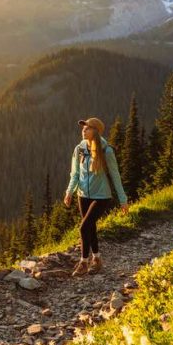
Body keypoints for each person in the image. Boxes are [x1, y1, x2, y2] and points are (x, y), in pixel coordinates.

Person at [63, 117, 128, 276]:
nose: (84, 130)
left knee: (84, 227)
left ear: (96, 132)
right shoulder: (79, 148)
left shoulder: (107, 151)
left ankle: (83, 262)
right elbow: (75, 173)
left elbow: (115, 175)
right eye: (83, 128)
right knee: (90, 227)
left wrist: (123, 200)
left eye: (88, 128)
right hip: (82, 194)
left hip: (101, 196)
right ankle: (97, 259)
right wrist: (69, 191)